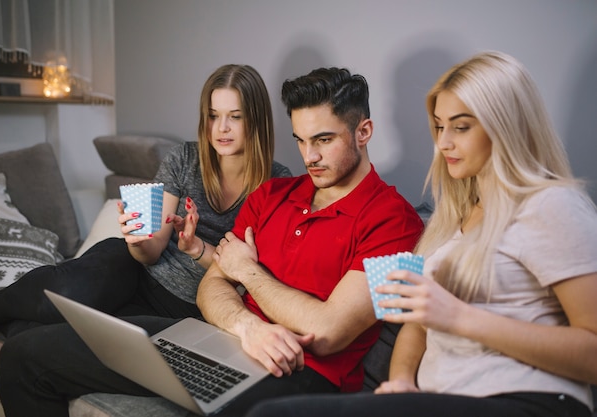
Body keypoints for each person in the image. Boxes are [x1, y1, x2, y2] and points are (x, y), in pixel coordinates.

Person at [0, 67, 423, 417]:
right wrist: (246, 325)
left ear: (363, 132)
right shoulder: (275, 195)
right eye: (302, 141)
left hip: (299, 374)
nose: (309, 156)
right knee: (23, 356)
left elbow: (327, 332)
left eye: (324, 140)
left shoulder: (394, 221)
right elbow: (211, 286)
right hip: (219, 340)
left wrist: (247, 273)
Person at [244, 51, 597, 417]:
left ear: (505, 126)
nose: (443, 143)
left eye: (460, 127)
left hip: (525, 400)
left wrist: (459, 318)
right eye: (439, 126)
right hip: (435, 398)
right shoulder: (450, 220)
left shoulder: (552, 205)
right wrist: (400, 382)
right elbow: (414, 325)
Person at [0, 63, 291, 358]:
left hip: (188, 306)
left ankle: (7, 339)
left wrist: (195, 248)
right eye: (212, 115)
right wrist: (137, 239)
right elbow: (151, 253)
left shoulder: (279, 183)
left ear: (256, 119)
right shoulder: (184, 159)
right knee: (65, 291)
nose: (221, 128)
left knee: (60, 337)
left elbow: (247, 272)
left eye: (234, 116)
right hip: (134, 268)